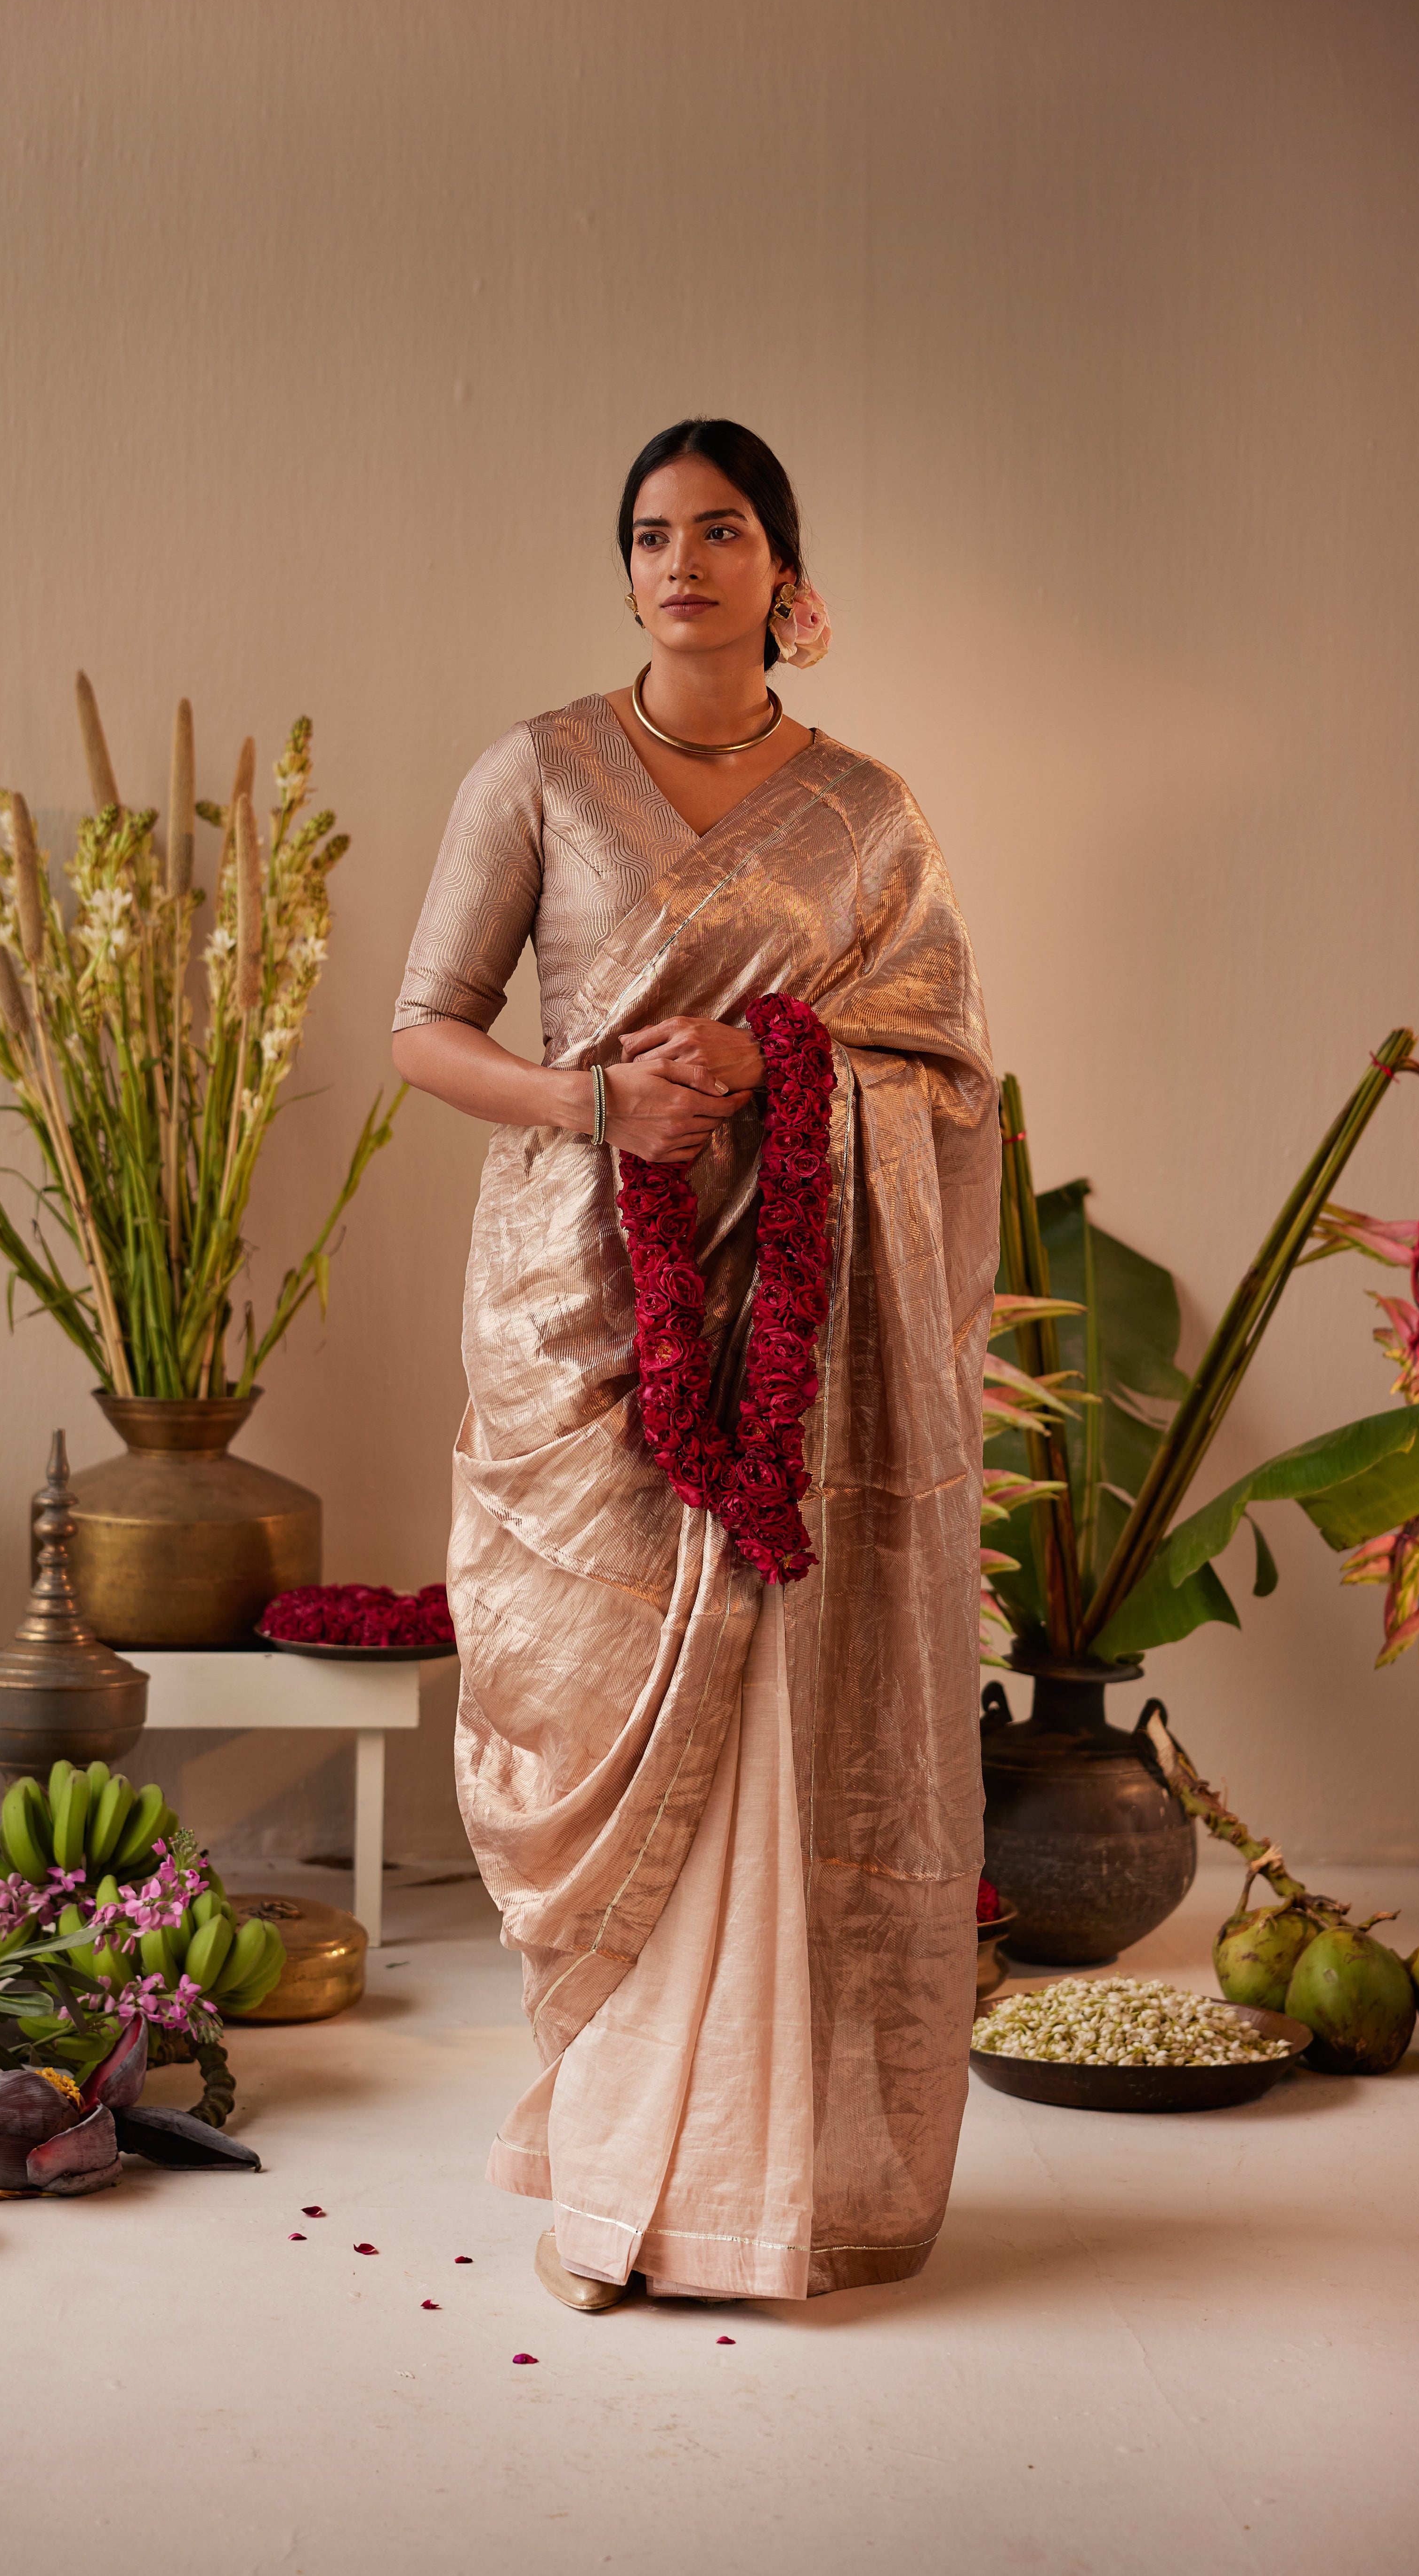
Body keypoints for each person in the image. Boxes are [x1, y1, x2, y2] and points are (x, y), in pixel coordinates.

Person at [392, 418, 998, 2310]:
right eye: (652, 534)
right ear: (628, 568)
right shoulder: (540, 772)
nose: (681, 562)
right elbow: (427, 1031)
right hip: (583, 1300)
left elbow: (952, 1066)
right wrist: (598, 1101)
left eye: (720, 531)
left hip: (805, 1332)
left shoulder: (870, 810)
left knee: (777, 1720)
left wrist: (781, 1065)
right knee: (587, 1700)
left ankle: (733, 2190)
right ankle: (616, 2158)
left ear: (782, 572)